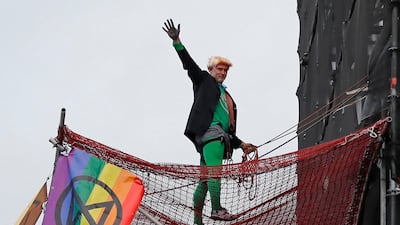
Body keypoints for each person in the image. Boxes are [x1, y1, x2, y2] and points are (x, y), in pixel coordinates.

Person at [162, 19, 257, 224]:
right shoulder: (204, 80)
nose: (222, 72)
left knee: (204, 181)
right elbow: (189, 66)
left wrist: (241, 145)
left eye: (225, 70)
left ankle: (197, 222)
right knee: (215, 173)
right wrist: (177, 41)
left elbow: (227, 129)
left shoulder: (226, 96)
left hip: (217, 136)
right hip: (211, 135)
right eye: (219, 69)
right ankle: (217, 209)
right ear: (211, 70)